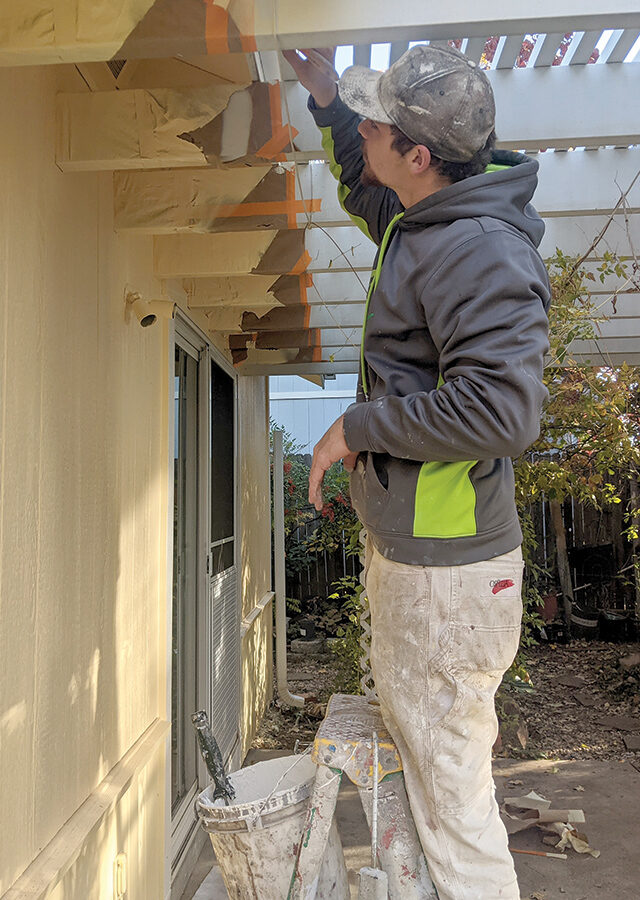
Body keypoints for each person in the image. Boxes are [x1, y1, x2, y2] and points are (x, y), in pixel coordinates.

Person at [284, 44, 550, 900]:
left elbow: (503, 412)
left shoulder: (477, 247)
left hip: (447, 574)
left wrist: (358, 426)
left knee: (452, 808)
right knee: (444, 786)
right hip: (433, 561)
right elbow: (371, 195)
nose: (362, 129)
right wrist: (327, 101)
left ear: (421, 155)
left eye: (373, 122)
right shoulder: (429, 217)